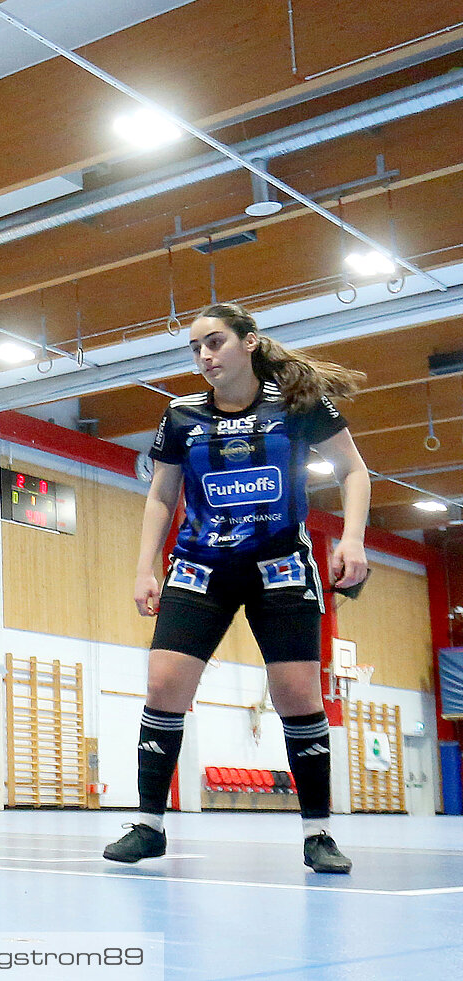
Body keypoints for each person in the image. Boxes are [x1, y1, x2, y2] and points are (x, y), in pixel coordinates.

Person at [103, 302, 369, 875]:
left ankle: (318, 833)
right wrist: (145, 568)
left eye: (216, 342)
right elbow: (160, 496)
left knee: (298, 694)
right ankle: (148, 825)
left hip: (280, 566)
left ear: (249, 342)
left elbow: (353, 470)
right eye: (196, 348)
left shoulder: (298, 406)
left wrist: (352, 540)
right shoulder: (179, 418)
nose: (205, 356)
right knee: (163, 685)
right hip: (201, 566)